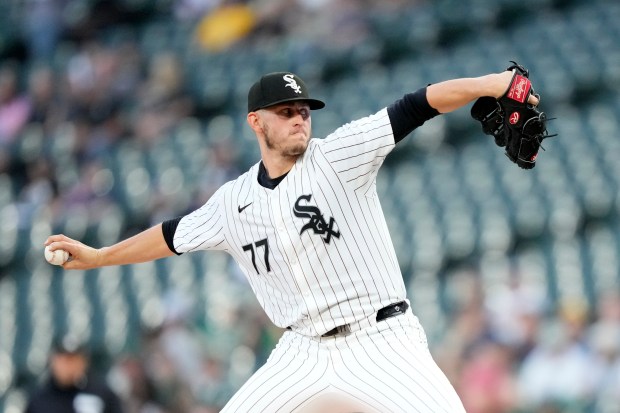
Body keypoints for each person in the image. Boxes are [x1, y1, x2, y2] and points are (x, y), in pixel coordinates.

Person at [45, 68, 539, 412]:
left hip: (380, 338)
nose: (300, 117)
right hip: (301, 352)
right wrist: (99, 257)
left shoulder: (339, 154)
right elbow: (172, 236)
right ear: (256, 121)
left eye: (304, 109)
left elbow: (418, 103)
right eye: (286, 111)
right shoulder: (231, 202)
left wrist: (496, 84)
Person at [25, 335, 125, 413]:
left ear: (84, 362)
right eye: (64, 360)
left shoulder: (103, 394)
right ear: (52, 360)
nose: (69, 366)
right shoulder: (39, 400)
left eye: (73, 360)